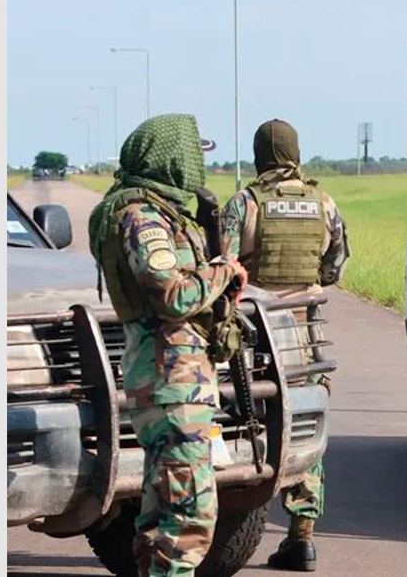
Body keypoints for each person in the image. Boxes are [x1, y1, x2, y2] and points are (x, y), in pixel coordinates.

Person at [88, 113, 247, 577]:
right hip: (172, 380)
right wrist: (224, 271)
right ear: (172, 158)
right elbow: (172, 295)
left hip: (170, 379)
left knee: (161, 515)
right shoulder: (144, 216)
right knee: (188, 517)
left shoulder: (150, 209)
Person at [219, 118, 349, 572]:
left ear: (259, 156)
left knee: (247, 426)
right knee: (305, 427)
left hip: (256, 337)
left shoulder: (244, 203)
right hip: (306, 335)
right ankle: (302, 535)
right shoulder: (323, 202)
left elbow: (223, 266)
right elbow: (336, 266)